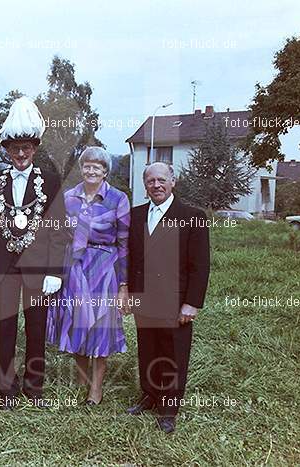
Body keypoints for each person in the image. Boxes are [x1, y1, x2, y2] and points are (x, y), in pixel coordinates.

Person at [0, 96, 68, 408]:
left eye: (27, 148)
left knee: (35, 330)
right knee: (4, 328)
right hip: (5, 267)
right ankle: (6, 389)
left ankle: (34, 389)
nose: (20, 154)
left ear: (35, 148)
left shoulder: (49, 180)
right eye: (15, 149)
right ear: (7, 149)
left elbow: (59, 229)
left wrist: (54, 271)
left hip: (38, 269)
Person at [126, 161, 210, 433]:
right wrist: (127, 290)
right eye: (151, 181)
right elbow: (131, 258)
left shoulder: (191, 215)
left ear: (173, 182)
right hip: (144, 298)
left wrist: (192, 303)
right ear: (145, 186)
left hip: (176, 302)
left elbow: (200, 265)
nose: (156, 185)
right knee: (148, 350)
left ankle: (169, 408)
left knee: (173, 353)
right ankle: (150, 395)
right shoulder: (136, 215)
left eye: (162, 180)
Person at [46, 147, 130, 405]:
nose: (91, 170)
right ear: (81, 169)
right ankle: (81, 381)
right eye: (87, 165)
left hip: (105, 268)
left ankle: (96, 389)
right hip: (74, 268)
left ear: (105, 171)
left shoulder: (118, 198)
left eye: (97, 166)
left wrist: (124, 283)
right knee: (77, 324)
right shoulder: (69, 197)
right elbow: (57, 236)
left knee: (100, 327)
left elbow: (125, 244)